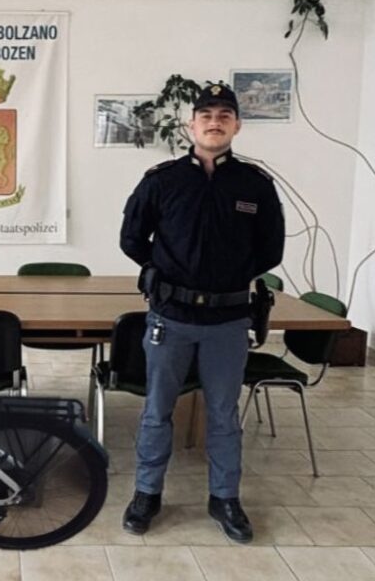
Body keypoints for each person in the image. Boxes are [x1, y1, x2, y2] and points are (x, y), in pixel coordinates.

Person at [118, 82, 284, 542]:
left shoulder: (255, 185)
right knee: (156, 411)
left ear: (237, 126)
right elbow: (132, 239)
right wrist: (165, 272)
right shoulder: (162, 180)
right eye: (206, 115)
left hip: (227, 322)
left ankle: (225, 498)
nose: (215, 122)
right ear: (191, 125)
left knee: (223, 415)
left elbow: (270, 250)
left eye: (224, 116)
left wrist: (227, 276)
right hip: (170, 318)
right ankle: (147, 493)